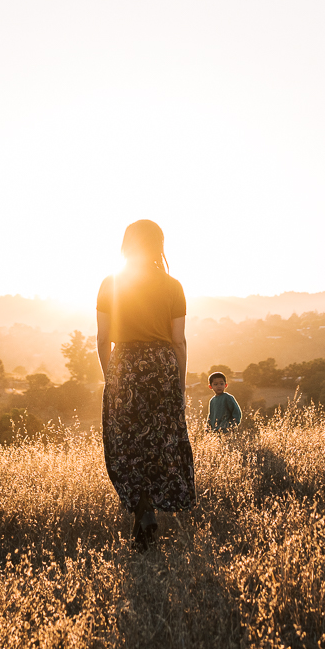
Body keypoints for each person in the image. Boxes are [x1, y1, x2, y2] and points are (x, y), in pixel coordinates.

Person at [97, 219, 194, 551]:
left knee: (125, 443)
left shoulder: (110, 283)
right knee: (160, 441)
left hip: (124, 365)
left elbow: (103, 337)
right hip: (162, 365)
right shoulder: (173, 286)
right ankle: (151, 504)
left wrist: (110, 376)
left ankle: (142, 507)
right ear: (159, 245)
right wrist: (179, 386)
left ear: (127, 243)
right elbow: (179, 341)